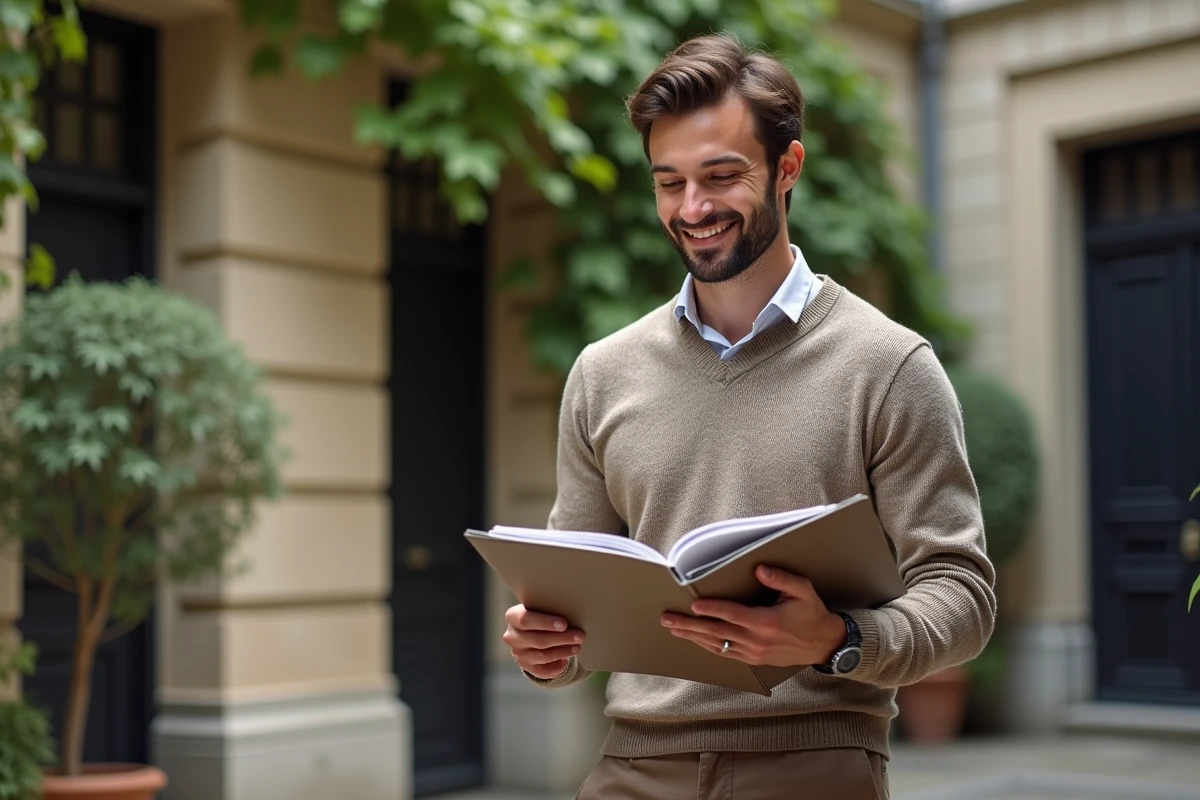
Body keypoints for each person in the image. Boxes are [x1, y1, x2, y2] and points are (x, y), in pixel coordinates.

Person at [502, 32, 996, 799]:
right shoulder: (603, 373)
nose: (692, 208)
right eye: (669, 183)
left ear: (787, 167)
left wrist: (839, 638)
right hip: (632, 767)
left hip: (816, 763)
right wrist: (548, 649)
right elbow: (577, 609)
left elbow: (962, 595)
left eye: (721, 176)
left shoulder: (889, 365)